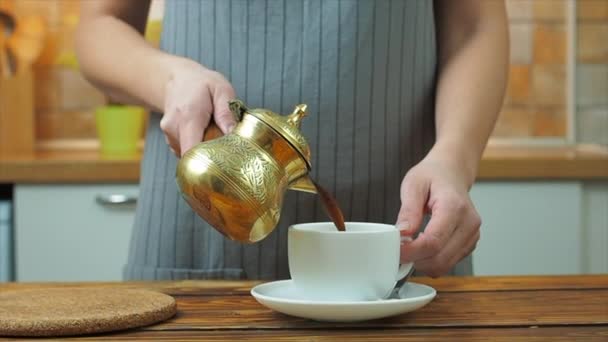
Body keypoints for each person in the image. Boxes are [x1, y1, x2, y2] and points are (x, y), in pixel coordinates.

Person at [75, 0, 508, 280]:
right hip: (199, 224)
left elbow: (475, 25)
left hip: (399, 228)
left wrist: (454, 157)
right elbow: (99, 27)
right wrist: (171, 79)